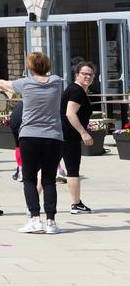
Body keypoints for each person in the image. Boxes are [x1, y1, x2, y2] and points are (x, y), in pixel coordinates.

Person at [0, 51, 63, 234]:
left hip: (30, 136)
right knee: (49, 180)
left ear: (30, 67)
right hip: (53, 137)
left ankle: (34, 219)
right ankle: (51, 222)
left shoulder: (25, 83)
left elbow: (0, 83)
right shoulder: (57, 82)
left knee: (29, 179)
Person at [62, 61, 95, 214]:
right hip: (69, 136)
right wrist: (83, 132)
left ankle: (33, 203)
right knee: (72, 169)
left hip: (61, 134)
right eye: (84, 73)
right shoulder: (77, 91)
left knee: (48, 169)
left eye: (90, 74)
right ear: (77, 75)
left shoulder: (76, 89)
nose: (88, 76)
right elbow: (70, 113)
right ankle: (76, 204)